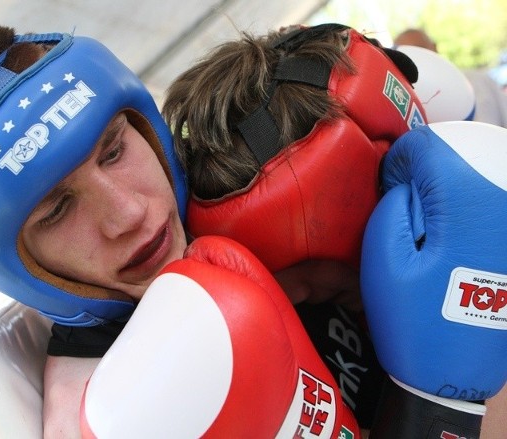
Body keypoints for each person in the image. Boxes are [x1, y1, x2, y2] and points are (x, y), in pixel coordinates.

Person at [0, 25, 385, 437]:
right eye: (55, 209)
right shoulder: (103, 412)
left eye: (114, 151)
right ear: (7, 263)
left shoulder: (255, 180)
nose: (130, 215)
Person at [163, 22, 507, 439]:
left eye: (331, 250)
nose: (306, 289)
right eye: (283, 272)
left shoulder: (477, 212)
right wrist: (439, 411)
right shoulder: (243, 345)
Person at [394, 27, 507, 127]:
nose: (412, 63)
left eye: (419, 51)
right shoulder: (409, 106)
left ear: (434, 48)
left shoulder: (478, 79)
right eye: (407, 57)